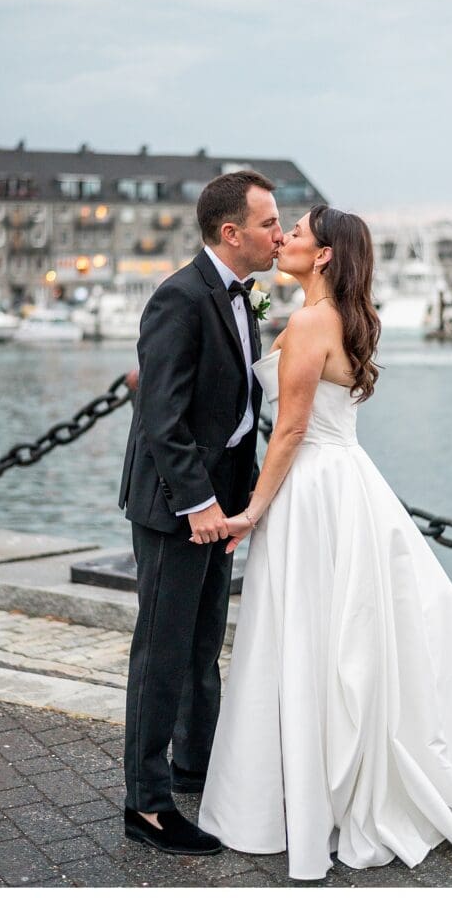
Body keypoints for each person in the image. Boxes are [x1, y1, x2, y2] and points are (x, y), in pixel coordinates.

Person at [198, 204, 452, 880]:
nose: (285, 239)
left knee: (315, 636)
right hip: (347, 484)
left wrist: (251, 511)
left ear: (327, 255)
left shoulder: (310, 322)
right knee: (349, 636)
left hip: (313, 492)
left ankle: (301, 791)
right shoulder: (346, 318)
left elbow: (291, 431)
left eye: (297, 234)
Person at [118, 169, 283, 855]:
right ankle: (148, 805)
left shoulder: (245, 297)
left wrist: (238, 505)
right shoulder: (178, 299)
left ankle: (196, 766)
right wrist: (200, 505)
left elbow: (237, 407)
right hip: (177, 508)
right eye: (270, 223)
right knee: (161, 652)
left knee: (201, 649)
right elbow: (162, 416)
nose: (280, 233)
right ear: (230, 232)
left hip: (224, 506)